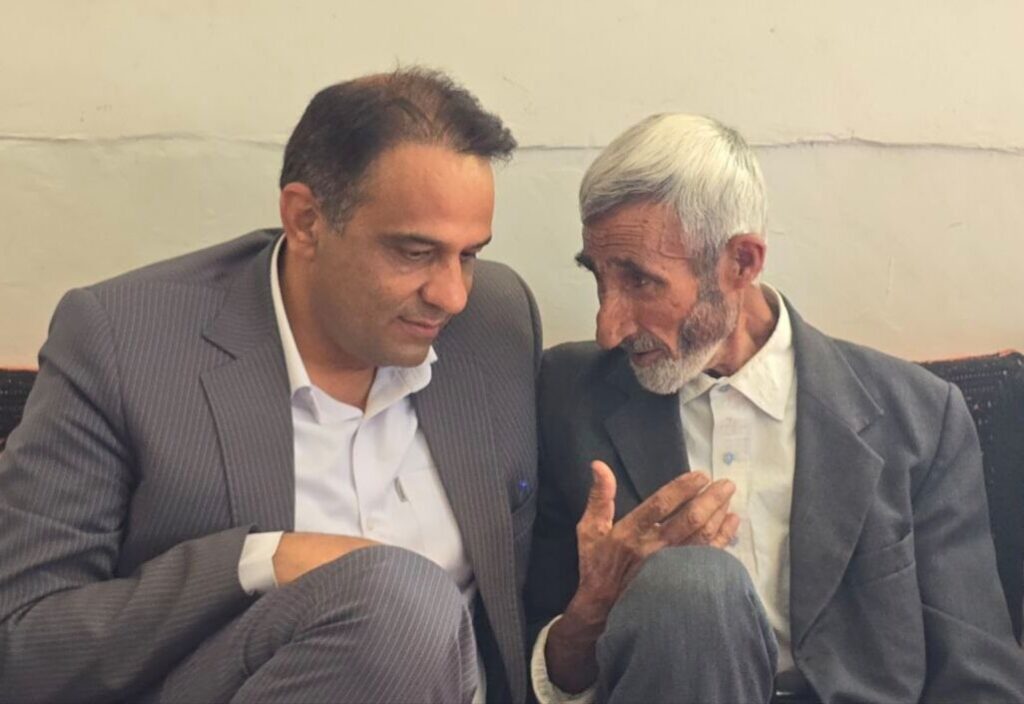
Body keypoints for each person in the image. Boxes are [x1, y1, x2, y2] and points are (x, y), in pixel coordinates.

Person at [0, 68, 541, 704]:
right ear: (306, 219)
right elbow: (22, 641)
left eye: (469, 255)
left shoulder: (496, 324)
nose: (451, 295)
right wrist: (261, 562)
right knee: (396, 600)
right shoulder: (124, 340)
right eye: (415, 253)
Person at [525, 113, 1024, 703]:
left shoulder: (920, 416)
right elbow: (530, 667)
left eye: (640, 282)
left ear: (742, 262)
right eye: (599, 279)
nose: (608, 327)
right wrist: (593, 610)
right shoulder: (569, 397)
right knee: (690, 585)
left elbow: (979, 675)